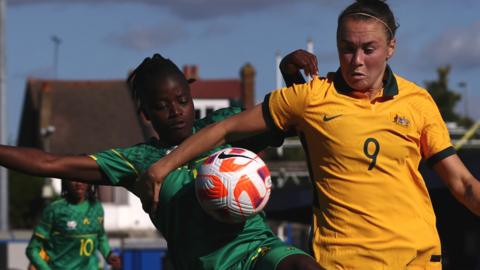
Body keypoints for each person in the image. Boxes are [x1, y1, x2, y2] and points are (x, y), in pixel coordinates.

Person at [140, 1, 480, 269]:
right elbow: (225, 128)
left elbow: (463, 184)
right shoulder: (311, 97)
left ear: (391, 47)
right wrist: (162, 167)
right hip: (342, 261)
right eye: (347, 48)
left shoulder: (418, 101)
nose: (356, 60)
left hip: (417, 259)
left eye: (369, 49)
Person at [0, 54, 320, 270]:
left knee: (302, 265)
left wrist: (291, 78)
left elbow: (292, 119)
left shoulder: (223, 128)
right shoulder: (137, 161)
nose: (176, 110)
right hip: (197, 264)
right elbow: (50, 162)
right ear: (146, 114)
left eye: (182, 100)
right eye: (163, 106)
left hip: (259, 253)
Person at [26, 181, 121, 270]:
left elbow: (100, 237)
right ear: (65, 181)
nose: (79, 183)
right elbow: (32, 249)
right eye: (74, 178)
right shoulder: (55, 210)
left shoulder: (96, 208)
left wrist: (109, 255)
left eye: (83, 178)